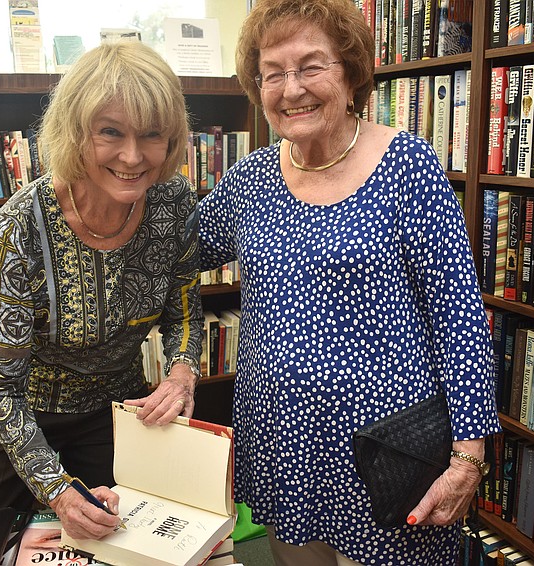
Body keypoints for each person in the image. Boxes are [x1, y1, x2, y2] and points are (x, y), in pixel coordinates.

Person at [197, 0, 501, 563]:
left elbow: (459, 317)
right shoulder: (249, 180)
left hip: (386, 454)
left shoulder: (408, 165)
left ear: (350, 72)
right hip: (280, 450)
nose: (291, 89)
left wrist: (468, 457)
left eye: (311, 66)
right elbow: (174, 254)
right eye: (273, 74)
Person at [0, 41, 204, 542]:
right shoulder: (23, 225)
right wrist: (57, 490)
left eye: (152, 135)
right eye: (111, 132)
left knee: (125, 538)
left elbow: (184, 309)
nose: (133, 157)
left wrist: (181, 371)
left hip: (110, 411)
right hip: (12, 412)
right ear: (75, 131)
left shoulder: (173, 202)